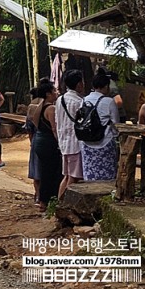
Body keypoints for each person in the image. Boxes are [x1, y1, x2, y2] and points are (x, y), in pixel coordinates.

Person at [80, 72, 119, 181]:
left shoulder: (84, 100)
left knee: (90, 175)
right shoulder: (109, 101)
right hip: (105, 142)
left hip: (87, 143)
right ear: (106, 86)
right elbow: (116, 123)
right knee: (108, 176)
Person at [30, 80, 62, 212]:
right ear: (48, 94)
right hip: (48, 143)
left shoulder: (40, 106)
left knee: (45, 171)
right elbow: (55, 129)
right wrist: (60, 144)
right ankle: (48, 201)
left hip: (39, 141)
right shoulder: (51, 109)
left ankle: (43, 200)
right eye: (54, 91)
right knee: (52, 173)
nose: (56, 93)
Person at [55, 70, 85, 198]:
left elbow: (57, 121)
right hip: (75, 144)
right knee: (73, 179)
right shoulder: (80, 102)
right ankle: (63, 205)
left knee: (67, 176)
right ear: (79, 84)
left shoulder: (60, 100)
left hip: (63, 144)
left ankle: (57, 204)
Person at [24, 86, 43, 208]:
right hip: (47, 139)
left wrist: (31, 142)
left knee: (36, 171)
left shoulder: (31, 107)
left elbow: (29, 129)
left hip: (35, 139)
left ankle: (37, 195)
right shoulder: (47, 105)